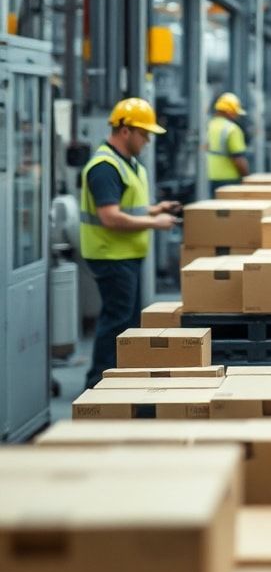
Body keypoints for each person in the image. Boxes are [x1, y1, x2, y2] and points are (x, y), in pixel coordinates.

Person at [80, 98, 181, 388]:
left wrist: (156, 209)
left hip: (125, 254)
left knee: (126, 320)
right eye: (144, 133)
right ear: (126, 131)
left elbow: (127, 208)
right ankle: (98, 381)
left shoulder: (128, 163)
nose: (148, 140)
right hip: (111, 255)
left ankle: (117, 378)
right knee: (116, 320)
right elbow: (110, 217)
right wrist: (154, 223)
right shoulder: (104, 167)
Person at [206, 92, 250, 193]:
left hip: (210, 178)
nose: (237, 116)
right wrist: (247, 178)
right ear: (230, 112)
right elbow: (238, 158)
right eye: (236, 113)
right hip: (229, 180)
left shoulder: (209, 126)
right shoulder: (232, 129)